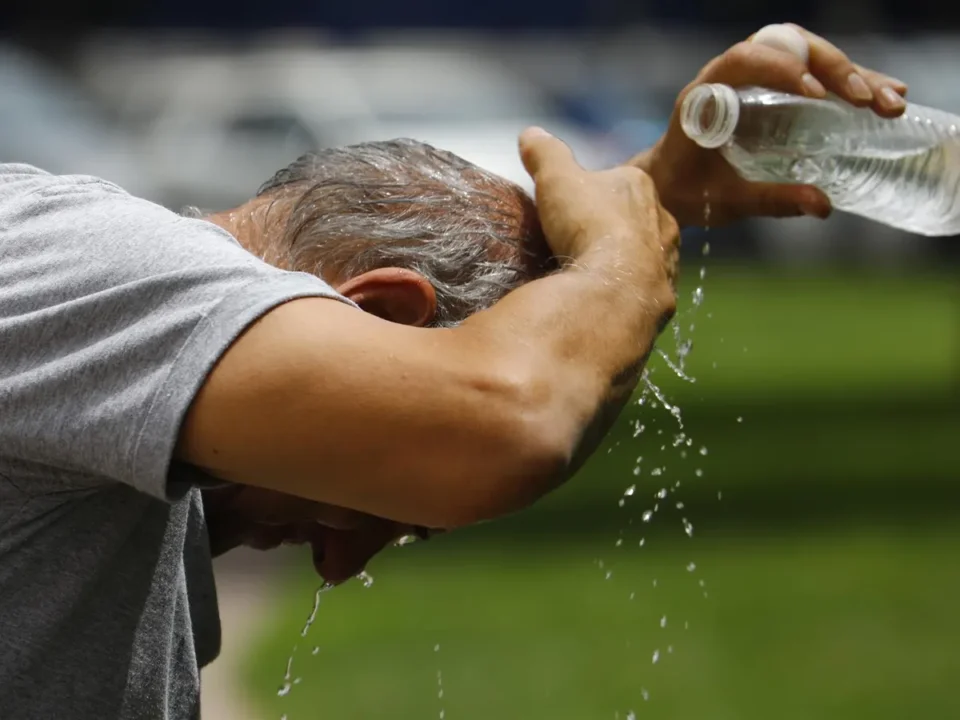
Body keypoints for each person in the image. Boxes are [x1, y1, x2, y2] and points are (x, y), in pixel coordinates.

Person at [0, 24, 906, 719]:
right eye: (388, 504)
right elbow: (505, 424)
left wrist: (651, 195)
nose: (343, 563)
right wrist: (620, 262)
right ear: (386, 317)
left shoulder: (113, 383)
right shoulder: (81, 261)